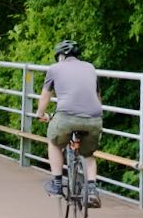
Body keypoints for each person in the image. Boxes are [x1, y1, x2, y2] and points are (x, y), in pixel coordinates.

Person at [36, 39, 103, 208]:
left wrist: (40, 114)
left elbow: (45, 96)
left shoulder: (54, 69)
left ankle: (57, 183)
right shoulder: (90, 68)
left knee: (53, 142)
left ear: (61, 55)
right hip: (94, 117)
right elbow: (98, 96)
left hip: (66, 116)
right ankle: (92, 190)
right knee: (88, 155)